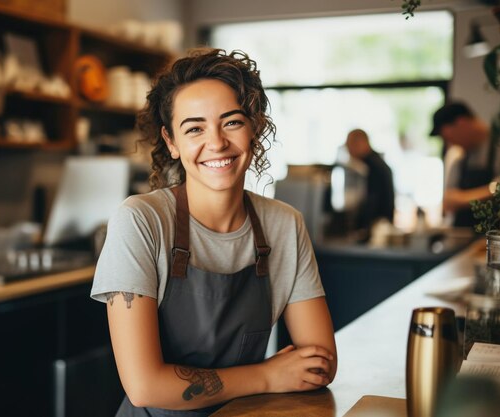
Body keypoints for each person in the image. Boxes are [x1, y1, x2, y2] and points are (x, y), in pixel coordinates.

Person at [90, 48, 337, 416]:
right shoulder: (141, 221)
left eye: (232, 122)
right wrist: (268, 377)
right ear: (171, 142)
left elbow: (320, 363)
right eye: (194, 128)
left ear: (256, 127)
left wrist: (273, 376)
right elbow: (144, 386)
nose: (217, 142)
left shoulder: (285, 224)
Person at [430, 101, 500, 227]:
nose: (449, 142)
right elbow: (449, 201)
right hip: (464, 235)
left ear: (461, 123)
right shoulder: (458, 157)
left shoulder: (499, 149)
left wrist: (463, 198)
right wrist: (489, 192)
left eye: (447, 137)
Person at [345, 129, 395, 232]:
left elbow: (373, 201)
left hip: (377, 227)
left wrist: (362, 226)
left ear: (360, 143)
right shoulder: (372, 164)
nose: (348, 150)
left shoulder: (374, 166)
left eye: (349, 145)